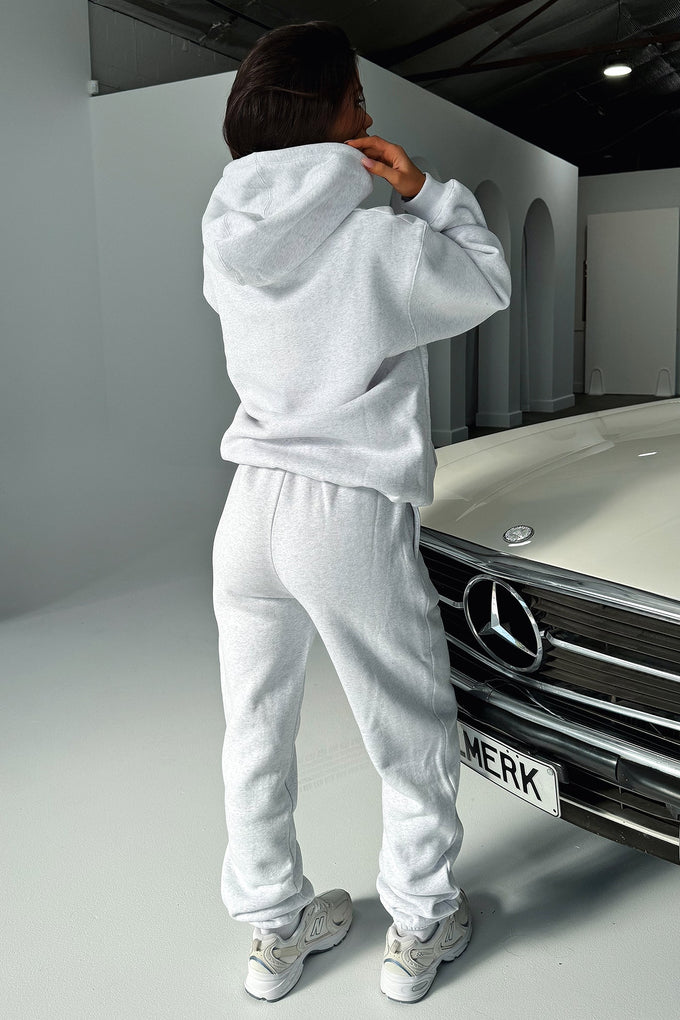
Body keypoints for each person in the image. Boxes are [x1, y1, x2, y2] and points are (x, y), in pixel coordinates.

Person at [201, 19, 511, 1005]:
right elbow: (488, 280)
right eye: (356, 100)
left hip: (247, 511)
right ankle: (419, 924)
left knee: (254, 729)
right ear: (328, 119)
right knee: (408, 724)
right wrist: (423, 191)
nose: (368, 114)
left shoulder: (224, 240)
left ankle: (275, 929)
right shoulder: (384, 246)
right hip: (342, 512)